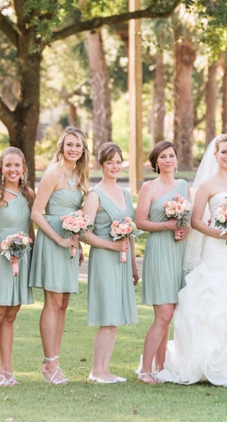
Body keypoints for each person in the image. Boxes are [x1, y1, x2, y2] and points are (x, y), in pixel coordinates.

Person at [157, 134, 227, 387]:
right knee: (213, 301)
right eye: (224, 152)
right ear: (215, 154)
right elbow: (196, 220)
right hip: (216, 249)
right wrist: (219, 232)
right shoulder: (207, 185)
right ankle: (207, 360)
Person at [29, 126, 87, 384]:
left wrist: (77, 242)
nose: (74, 149)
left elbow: (76, 215)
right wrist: (58, 239)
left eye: (78, 145)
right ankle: (48, 365)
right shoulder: (53, 173)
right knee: (52, 302)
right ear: (62, 147)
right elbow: (36, 213)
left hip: (69, 243)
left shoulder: (78, 175)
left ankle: (55, 361)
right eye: (69, 144)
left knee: (64, 302)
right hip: (53, 241)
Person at [81, 143, 139, 383]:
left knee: (114, 317)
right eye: (110, 162)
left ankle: (105, 369)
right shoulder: (94, 195)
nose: (115, 166)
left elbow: (130, 232)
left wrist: (134, 266)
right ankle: (96, 370)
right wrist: (112, 245)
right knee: (107, 315)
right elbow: (85, 233)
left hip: (123, 261)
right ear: (101, 165)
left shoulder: (125, 193)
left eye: (118, 162)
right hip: (105, 259)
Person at [135, 141, 190, 384]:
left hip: (178, 250)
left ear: (177, 159)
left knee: (170, 314)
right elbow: (141, 222)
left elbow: (186, 220)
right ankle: (146, 370)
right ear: (156, 162)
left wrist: (183, 230)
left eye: (171, 155)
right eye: (163, 157)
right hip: (159, 250)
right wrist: (167, 225)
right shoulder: (149, 187)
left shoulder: (183, 185)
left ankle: (162, 367)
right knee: (163, 314)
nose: (168, 160)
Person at [0, 147, 35, 387]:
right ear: (1, 169)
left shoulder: (29, 194)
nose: (13, 169)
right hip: (1, 259)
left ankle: (7, 368)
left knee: (11, 315)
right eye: (8, 165)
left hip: (22, 259)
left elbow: (31, 229)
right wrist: (5, 249)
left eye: (17, 165)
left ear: (24, 168)